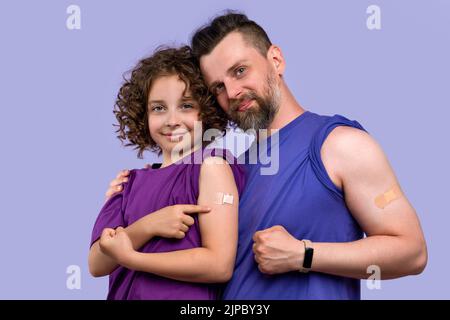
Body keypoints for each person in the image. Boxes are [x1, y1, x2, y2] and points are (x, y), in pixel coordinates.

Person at [105, 12, 427, 299]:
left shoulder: (340, 144)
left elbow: (411, 252)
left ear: (276, 60)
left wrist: (305, 255)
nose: (231, 93)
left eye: (240, 71)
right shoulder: (230, 170)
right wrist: (140, 188)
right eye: (218, 86)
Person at [89, 46, 246, 300]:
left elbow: (219, 264)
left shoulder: (213, 168)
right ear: (143, 114)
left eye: (186, 105)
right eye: (158, 108)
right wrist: (149, 226)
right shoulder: (128, 182)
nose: (172, 120)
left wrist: (134, 258)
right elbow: (97, 263)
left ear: (205, 110)